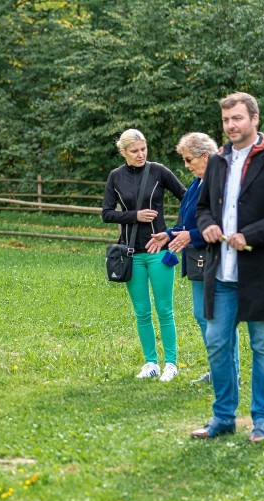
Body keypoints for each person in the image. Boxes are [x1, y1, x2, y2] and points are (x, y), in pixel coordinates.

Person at [192, 92, 264, 442]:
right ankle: (223, 417)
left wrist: (249, 234)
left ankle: (262, 421)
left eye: (237, 118)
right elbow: (203, 207)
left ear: (255, 118)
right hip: (221, 272)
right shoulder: (217, 161)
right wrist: (208, 224)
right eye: (226, 120)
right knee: (217, 343)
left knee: (263, 344)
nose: (231, 126)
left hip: (262, 271)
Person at [147, 133, 240, 385]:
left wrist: (193, 236)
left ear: (206, 157)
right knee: (202, 315)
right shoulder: (197, 183)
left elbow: (225, 224)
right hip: (197, 258)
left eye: (189, 159)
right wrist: (168, 234)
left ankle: (231, 372)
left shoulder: (222, 182)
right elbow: (186, 221)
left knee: (219, 316)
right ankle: (217, 370)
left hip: (217, 257)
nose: (186, 165)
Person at [102, 129, 186, 382]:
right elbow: (106, 213)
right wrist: (134, 216)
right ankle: (151, 363)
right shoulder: (115, 177)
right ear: (124, 152)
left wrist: (174, 232)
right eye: (134, 151)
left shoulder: (159, 171)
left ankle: (171, 363)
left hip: (159, 251)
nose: (141, 154)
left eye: (143, 149)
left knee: (165, 310)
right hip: (130, 254)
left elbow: (189, 199)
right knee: (141, 312)